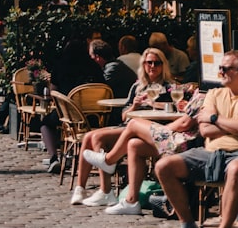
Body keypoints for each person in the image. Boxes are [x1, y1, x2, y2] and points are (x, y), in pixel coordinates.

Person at [70, 47, 174, 204]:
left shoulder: (169, 87)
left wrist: (155, 104)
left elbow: (175, 108)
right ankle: (80, 188)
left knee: (98, 137)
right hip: (128, 126)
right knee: (89, 137)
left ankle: (106, 191)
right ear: (143, 65)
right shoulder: (138, 86)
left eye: (156, 63)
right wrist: (134, 106)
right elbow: (124, 115)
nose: (152, 66)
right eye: (148, 63)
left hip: (148, 129)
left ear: (163, 65)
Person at [79, 90, 204, 215]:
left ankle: (109, 160)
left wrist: (163, 130)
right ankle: (131, 201)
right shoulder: (204, 92)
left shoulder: (205, 94)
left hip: (186, 142)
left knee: (133, 124)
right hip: (183, 140)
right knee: (134, 145)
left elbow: (184, 123)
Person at [155, 50, 238, 228]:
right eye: (219, 68)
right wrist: (230, 127)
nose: (220, 72)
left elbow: (214, 123)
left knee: (236, 169)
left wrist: (215, 118)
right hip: (209, 153)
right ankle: (187, 222)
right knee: (163, 166)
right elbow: (205, 129)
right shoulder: (214, 94)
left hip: (236, 156)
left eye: (225, 68)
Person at [42, 38, 106, 173]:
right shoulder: (94, 67)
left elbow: (53, 92)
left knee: (46, 124)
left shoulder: (60, 66)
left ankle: (54, 157)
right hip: (94, 115)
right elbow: (103, 87)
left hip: (68, 115)